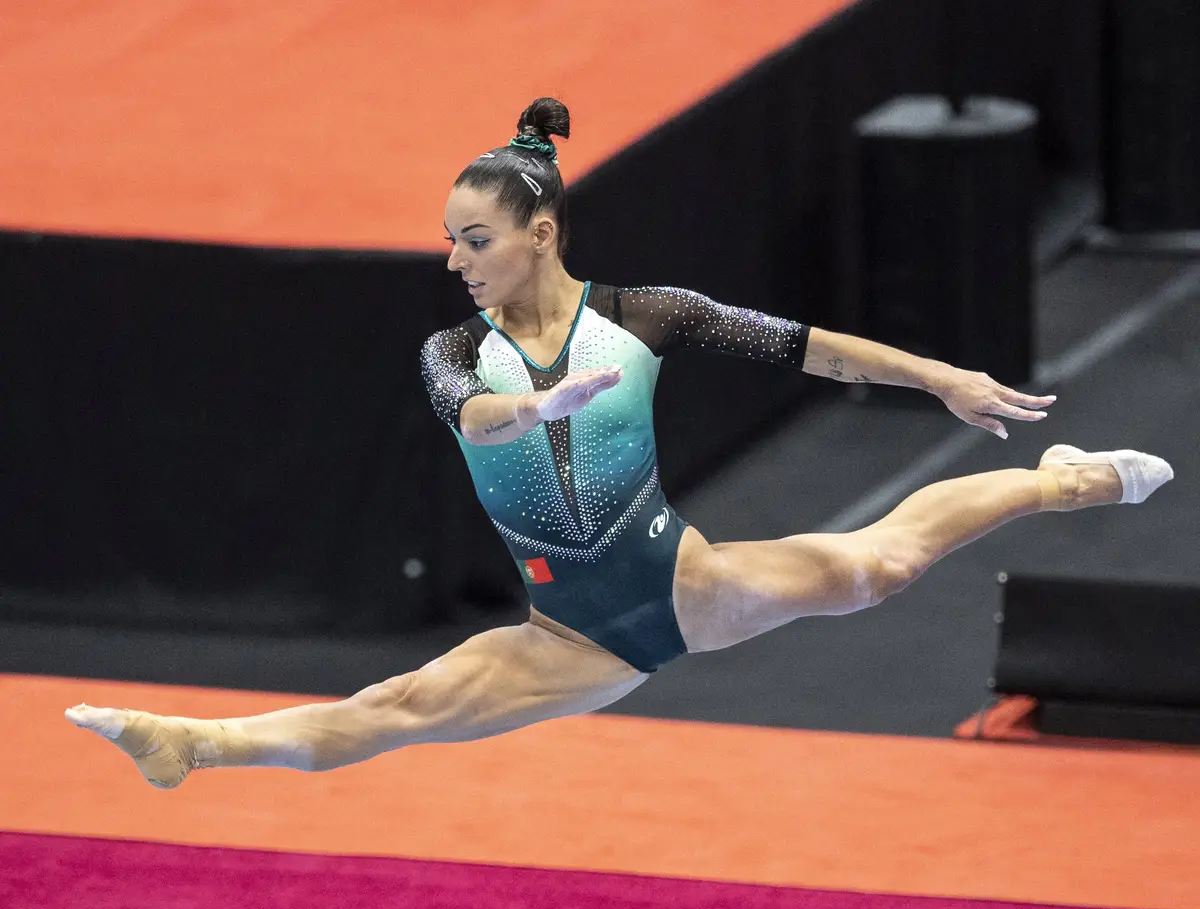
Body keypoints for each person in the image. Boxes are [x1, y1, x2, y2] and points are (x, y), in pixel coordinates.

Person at [65, 97, 1173, 788]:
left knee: (880, 564)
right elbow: (478, 417)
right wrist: (536, 414)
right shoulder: (452, 351)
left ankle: (1049, 483)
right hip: (569, 636)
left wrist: (940, 376)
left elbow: (813, 349)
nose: (456, 260)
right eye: (449, 240)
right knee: (392, 711)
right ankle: (193, 746)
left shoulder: (648, 316)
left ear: (539, 233)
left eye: (476, 239)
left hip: (682, 585)